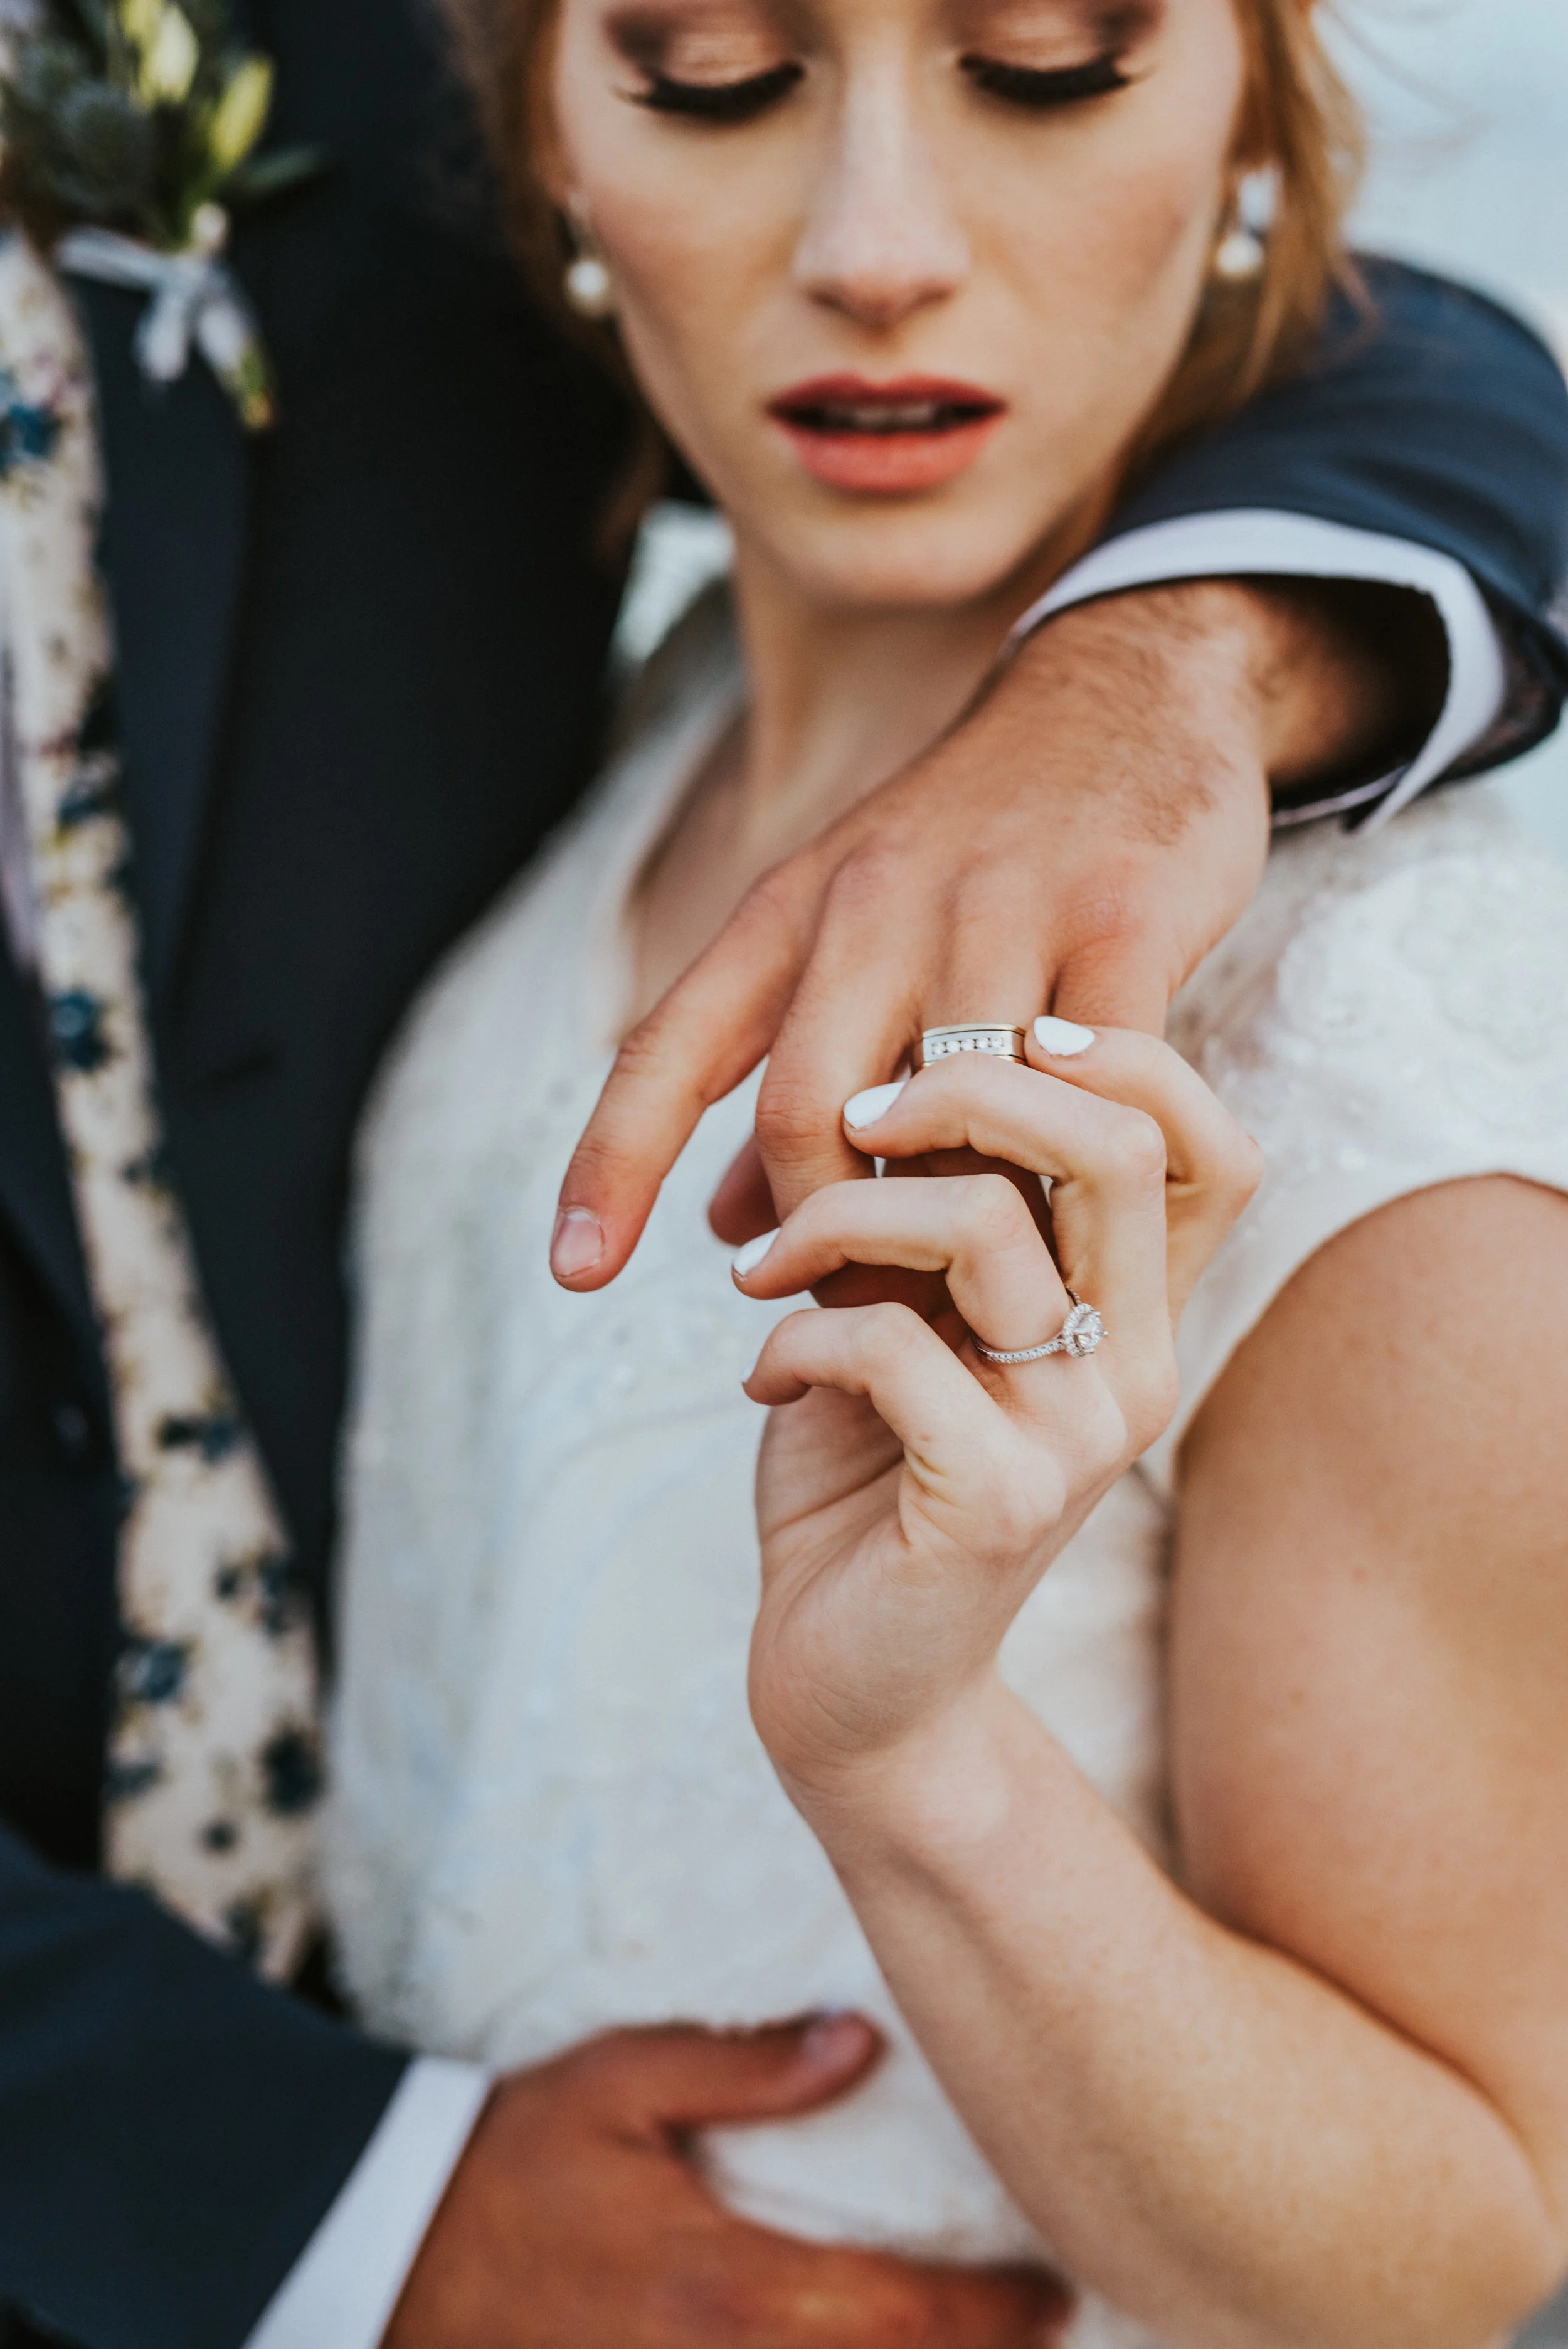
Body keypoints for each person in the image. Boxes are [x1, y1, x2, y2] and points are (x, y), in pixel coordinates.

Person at [1, 3, 1566, 2348]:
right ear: (541, 146)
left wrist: (912, 1763)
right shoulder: (621, 780)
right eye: (711, 77)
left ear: (1251, 115)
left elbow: (1456, 2252)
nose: (878, 250)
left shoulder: (1376, 1015)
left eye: (1044, 66)